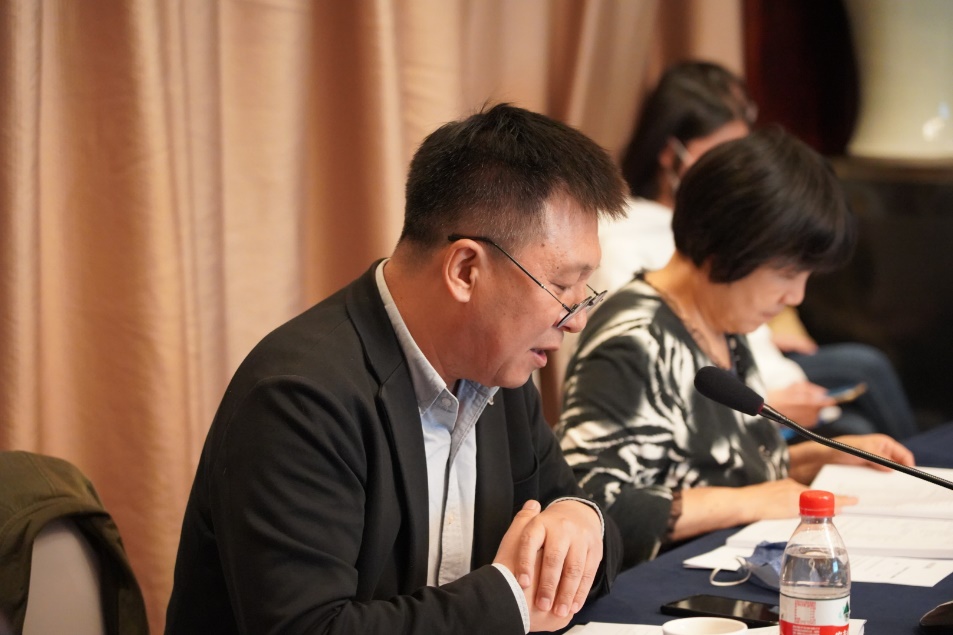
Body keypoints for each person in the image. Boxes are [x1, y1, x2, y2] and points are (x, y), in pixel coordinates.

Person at [165, 104, 626, 634]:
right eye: (563, 286)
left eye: (584, 289)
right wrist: (509, 602)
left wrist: (579, 517)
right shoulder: (298, 399)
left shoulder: (500, 369)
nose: (576, 319)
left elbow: (577, 516)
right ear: (465, 270)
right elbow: (310, 629)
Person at [556, 128, 915, 569]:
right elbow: (588, 509)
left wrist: (825, 455)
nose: (796, 296)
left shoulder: (720, 319)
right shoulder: (635, 339)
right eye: (787, 273)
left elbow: (720, 469)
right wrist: (750, 502)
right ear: (726, 246)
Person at [591, 60, 919, 441]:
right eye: (723, 151)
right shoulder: (630, 253)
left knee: (862, 428)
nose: (735, 167)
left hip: (753, 384)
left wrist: (768, 341)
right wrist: (769, 407)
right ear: (670, 152)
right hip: (733, 404)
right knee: (863, 385)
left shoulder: (728, 312)